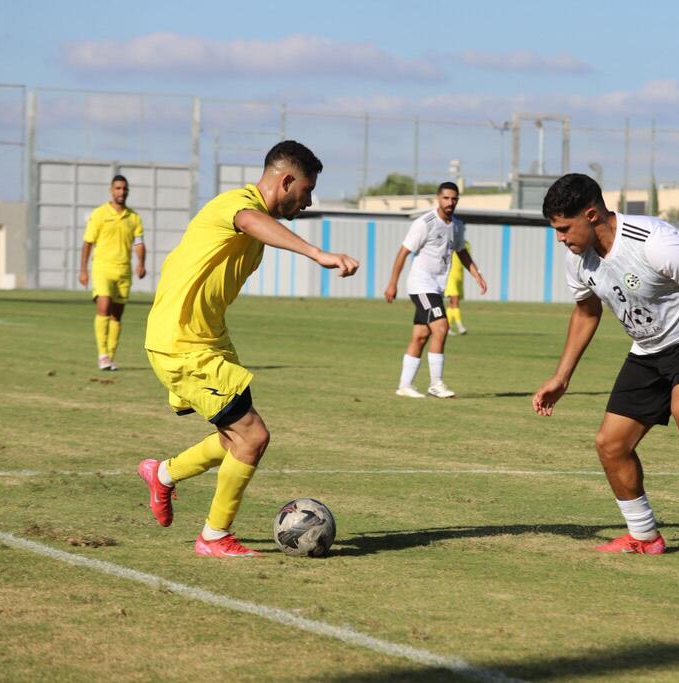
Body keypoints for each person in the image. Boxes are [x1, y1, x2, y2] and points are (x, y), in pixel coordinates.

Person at [137, 141, 359, 557]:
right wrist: (317, 254)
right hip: (182, 343)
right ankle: (214, 536)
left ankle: (163, 474)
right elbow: (248, 219)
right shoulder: (237, 205)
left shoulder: (254, 217)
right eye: (307, 191)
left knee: (234, 439)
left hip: (208, 338)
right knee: (253, 436)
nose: (308, 202)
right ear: (286, 181)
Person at [532, 174, 679, 560]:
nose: (559, 238)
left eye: (563, 228)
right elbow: (587, 312)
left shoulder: (653, 241)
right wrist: (561, 377)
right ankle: (644, 536)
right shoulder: (577, 258)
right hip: (649, 349)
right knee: (610, 444)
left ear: (591, 215)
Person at [384, 182, 487, 398]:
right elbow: (403, 252)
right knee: (441, 327)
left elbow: (461, 252)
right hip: (421, 284)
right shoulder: (425, 223)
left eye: (454, 198)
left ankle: (405, 386)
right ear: (438, 199)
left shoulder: (457, 225)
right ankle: (436, 384)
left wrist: (476, 274)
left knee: (421, 335)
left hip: (437, 286)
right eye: (446, 198)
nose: (450, 202)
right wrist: (392, 283)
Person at [78, 175, 146, 370]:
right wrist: (83, 270)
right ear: (111, 190)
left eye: (124, 188)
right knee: (104, 305)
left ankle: (110, 356)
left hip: (124, 271)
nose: (121, 192)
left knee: (117, 315)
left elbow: (139, 243)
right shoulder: (99, 214)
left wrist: (141, 263)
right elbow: (88, 242)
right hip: (102, 268)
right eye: (118, 188)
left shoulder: (134, 218)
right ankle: (102, 354)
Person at [445, 240, 471, 335]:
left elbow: (467, 259)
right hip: (450, 276)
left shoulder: (467, 244)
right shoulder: (450, 242)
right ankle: (460, 327)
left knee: (452, 303)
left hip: (459, 276)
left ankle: (447, 327)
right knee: (455, 300)